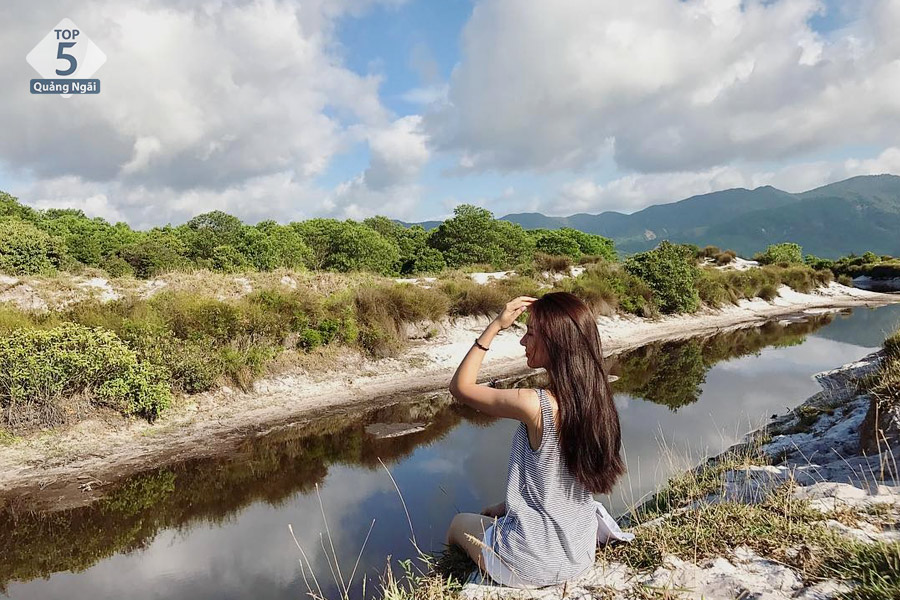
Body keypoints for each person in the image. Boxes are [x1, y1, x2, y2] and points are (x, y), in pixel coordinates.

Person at [446, 292, 628, 588]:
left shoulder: (536, 404)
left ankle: (450, 577)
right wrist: (507, 505)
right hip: (579, 555)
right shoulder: (596, 399)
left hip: (530, 563)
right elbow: (559, 475)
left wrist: (495, 326)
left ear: (554, 343)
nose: (523, 342)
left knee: (457, 526)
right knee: (493, 519)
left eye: (530, 334)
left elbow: (461, 387)